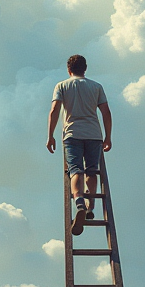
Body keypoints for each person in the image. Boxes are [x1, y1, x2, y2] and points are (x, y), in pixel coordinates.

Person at [47, 55, 112, 235]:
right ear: (85, 68)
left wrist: (50, 135)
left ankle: (80, 203)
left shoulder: (62, 86)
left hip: (72, 134)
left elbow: (54, 110)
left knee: (76, 170)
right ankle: (90, 207)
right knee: (92, 171)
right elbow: (106, 112)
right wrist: (108, 137)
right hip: (93, 134)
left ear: (69, 70)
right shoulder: (96, 86)